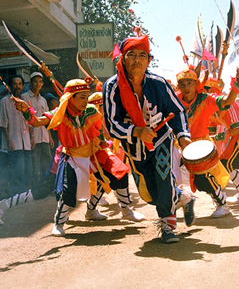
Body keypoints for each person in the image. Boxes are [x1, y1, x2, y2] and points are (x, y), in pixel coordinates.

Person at [13, 78, 144, 237]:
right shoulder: (59, 113)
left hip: (93, 152)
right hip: (72, 155)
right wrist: (26, 111)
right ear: (70, 98)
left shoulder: (91, 111)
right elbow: (37, 122)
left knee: (119, 171)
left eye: (87, 96)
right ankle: (59, 222)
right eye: (82, 97)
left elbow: (99, 131)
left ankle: (125, 210)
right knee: (67, 190)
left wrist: (104, 145)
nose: (85, 100)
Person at [103, 34, 195, 244]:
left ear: (149, 60)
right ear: (123, 58)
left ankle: (168, 226)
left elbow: (178, 111)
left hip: (161, 139)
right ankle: (184, 197)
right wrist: (136, 131)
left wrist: (182, 137)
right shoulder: (111, 87)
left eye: (142, 55)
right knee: (148, 193)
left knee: (163, 180)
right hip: (134, 147)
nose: (137, 59)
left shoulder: (159, 84)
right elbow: (112, 124)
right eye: (132, 54)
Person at [176, 64, 239, 218]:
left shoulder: (206, 99)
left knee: (202, 180)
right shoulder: (175, 100)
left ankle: (222, 204)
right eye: (182, 83)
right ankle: (173, 207)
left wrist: (238, 80)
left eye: (190, 83)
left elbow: (227, 102)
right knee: (169, 176)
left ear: (197, 84)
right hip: (178, 144)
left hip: (198, 146)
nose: (186, 87)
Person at [0, 75, 32, 196]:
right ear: (10, 85)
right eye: (15, 84)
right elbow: (3, 124)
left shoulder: (26, 100)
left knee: (27, 169)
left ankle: (25, 194)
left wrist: (32, 137)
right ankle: (17, 194)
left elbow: (30, 120)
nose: (17, 86)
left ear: (22, 85)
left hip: (26, 142)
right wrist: (9, 141)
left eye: (20, 84)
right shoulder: (4, 102)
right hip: (14, 141)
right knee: (17, 169)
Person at [23, 72, 53, 187]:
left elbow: (48, 119)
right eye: (35, 81)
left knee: (48, 162)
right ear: (30, 83)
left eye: (40, 81)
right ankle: (36, 187)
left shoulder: (43, 100)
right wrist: (31, 137)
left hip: (44, 136)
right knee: (35, 164)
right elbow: (27, 119)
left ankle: (47, 186)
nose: (38, 83)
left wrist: (49, 137)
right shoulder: (25, 97)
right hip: (33, 137)